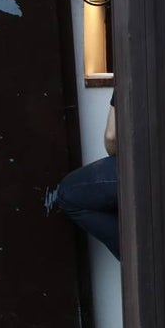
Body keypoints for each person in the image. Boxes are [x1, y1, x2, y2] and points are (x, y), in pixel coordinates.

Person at [50, 97, 120, 259]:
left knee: (69, 193)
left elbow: (112, 136)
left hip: (146, 164)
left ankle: (141, 257)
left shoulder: (128, 80)